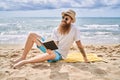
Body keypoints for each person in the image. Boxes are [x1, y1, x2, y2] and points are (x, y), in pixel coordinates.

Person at [13, 9, 88, 68]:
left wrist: (85, 57)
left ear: (71, 20)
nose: (63, 20)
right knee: (31, 35)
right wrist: (48, 46)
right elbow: (55, 43)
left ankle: (25, 62)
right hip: (51, 49)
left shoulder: (75, 30)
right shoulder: (56, 29)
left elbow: (79, 45)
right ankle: (23, 57)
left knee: (51, 54)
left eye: (66, 19)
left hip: (60, 54)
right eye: (63, 18)